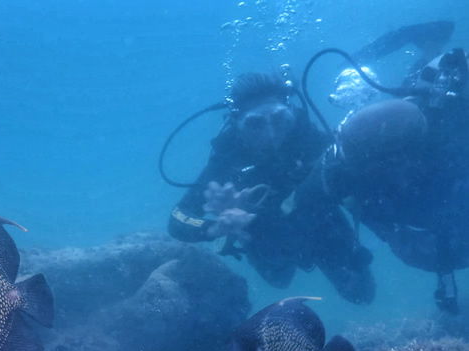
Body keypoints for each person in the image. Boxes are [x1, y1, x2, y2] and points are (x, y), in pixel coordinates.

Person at [293, 47, 469, 313]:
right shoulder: (335, 173)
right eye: (383, 169)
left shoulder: (451, 136)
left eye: (406, 161)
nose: (401, 177)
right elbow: (305, 205)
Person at [166, 72, 370, 298]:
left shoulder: (310, 139)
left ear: (291, 112)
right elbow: (178, 218)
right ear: (237, 123)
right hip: (265, 233)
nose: (271, 133)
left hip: (322, 224)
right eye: (255, 123)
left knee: (362, 294)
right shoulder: (228, 158)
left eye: (280, 119)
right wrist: (217, 228)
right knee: (279, 280)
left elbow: (356, 179)